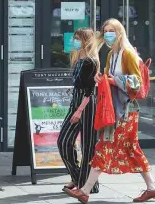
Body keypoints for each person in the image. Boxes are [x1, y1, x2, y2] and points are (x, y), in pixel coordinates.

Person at [65, 18, 155, 203]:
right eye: (105, 31)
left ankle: (84, 191)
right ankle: (152, 188)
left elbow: (136, 82)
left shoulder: (128, 54)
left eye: (111, 31)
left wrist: (112, 81)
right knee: (132, 148)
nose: (108, 34)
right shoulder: (111, 55)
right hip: (118, 109)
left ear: (120, 33)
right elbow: (109, 78)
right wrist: (102, 78)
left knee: (104, 146)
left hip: (125, 110)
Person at [57, 28, 100, 194]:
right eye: (74, 38)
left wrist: (80, 110)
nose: (74, 41)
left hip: (87, 104)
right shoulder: (77, 59)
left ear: (85, 41)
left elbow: (90, 89)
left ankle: (89, 185)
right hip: (75, 102)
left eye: (77, 39)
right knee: (63, 141)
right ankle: (77, 178)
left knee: (88, 146)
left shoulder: (91, 61)